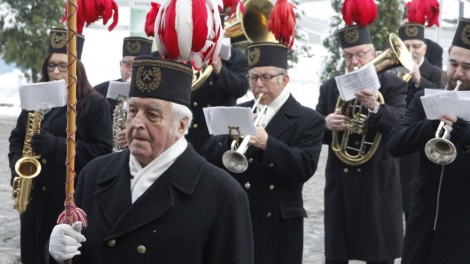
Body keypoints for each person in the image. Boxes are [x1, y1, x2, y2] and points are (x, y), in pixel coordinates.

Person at [48, 56, 254, 264]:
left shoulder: (222, 194)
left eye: (152, 114)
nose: (137, 123)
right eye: (133, 111)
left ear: (181, 126)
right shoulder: (94, 174)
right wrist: (58, 257)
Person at [203, 42, 325, 264]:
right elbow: (208, 157)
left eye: (266, 77)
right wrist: (227, 137)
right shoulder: (239, 111)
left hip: (278, 224)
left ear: (284, 79)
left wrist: (268, 144)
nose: (258, 85)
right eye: (253, 78)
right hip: (240, 216)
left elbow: (305, 166)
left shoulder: (308, 119)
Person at [8, 28, 113, 264]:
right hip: (34, 200)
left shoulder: (94, 104)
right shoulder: (35, 98)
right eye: (51, 66)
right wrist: (18, 165)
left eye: (63, 66)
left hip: (66, 203)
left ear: (77, 67)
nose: (56, 72)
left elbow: (101, 152)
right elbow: (16, 138)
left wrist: (56, 147)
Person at [315, 4, 407, 263]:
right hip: (341, 180)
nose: (354, 62)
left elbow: (400, 123)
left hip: (376, 178)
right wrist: (325, 123)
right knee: (338, 251)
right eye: (348, 56)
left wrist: (376, 107)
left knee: (379, 253)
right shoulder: (329, 88)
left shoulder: (392, 84)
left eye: (359, 55)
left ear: (373, 53)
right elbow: (314, 129)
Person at [387, 18, 470, 263]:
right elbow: (395, 143)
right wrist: (431, 122)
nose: (457, 73)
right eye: (453, 64)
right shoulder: (426, 98)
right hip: (422, 222)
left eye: (467, 67)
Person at [397, 19, 442, 222]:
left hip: (419, 150)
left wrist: (417, 79)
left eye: (416, 46)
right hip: (397, 147)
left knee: (413, 209)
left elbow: (439, 98)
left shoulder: (435, 72)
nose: (412, 51)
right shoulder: (393, 70)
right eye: (406, 47)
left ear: (424, 48)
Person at [187, 46, 249, 155]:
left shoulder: (237, 58)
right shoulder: (189, 52)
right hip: (191, 129)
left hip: (218, 133)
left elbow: (240, 89)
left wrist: (220, 70)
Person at [94, 36, 153, 113]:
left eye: (138, 65)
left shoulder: (155, 96)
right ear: (121, 65)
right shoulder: (100, 91)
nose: (132, 69)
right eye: (128, 64)